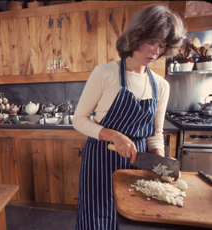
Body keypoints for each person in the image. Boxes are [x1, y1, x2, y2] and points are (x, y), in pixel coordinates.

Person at [73, 4, 186, 230]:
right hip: (101, 161)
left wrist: (159, 163)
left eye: (162, 45)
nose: (155, 51)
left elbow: (155, 134)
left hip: (139, 164)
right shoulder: (105, 73)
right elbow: (79, 119)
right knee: (98, 218)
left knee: (134, 220)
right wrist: (114, 135)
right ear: (136, 37)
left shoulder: (161, 86)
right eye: (151, 41)